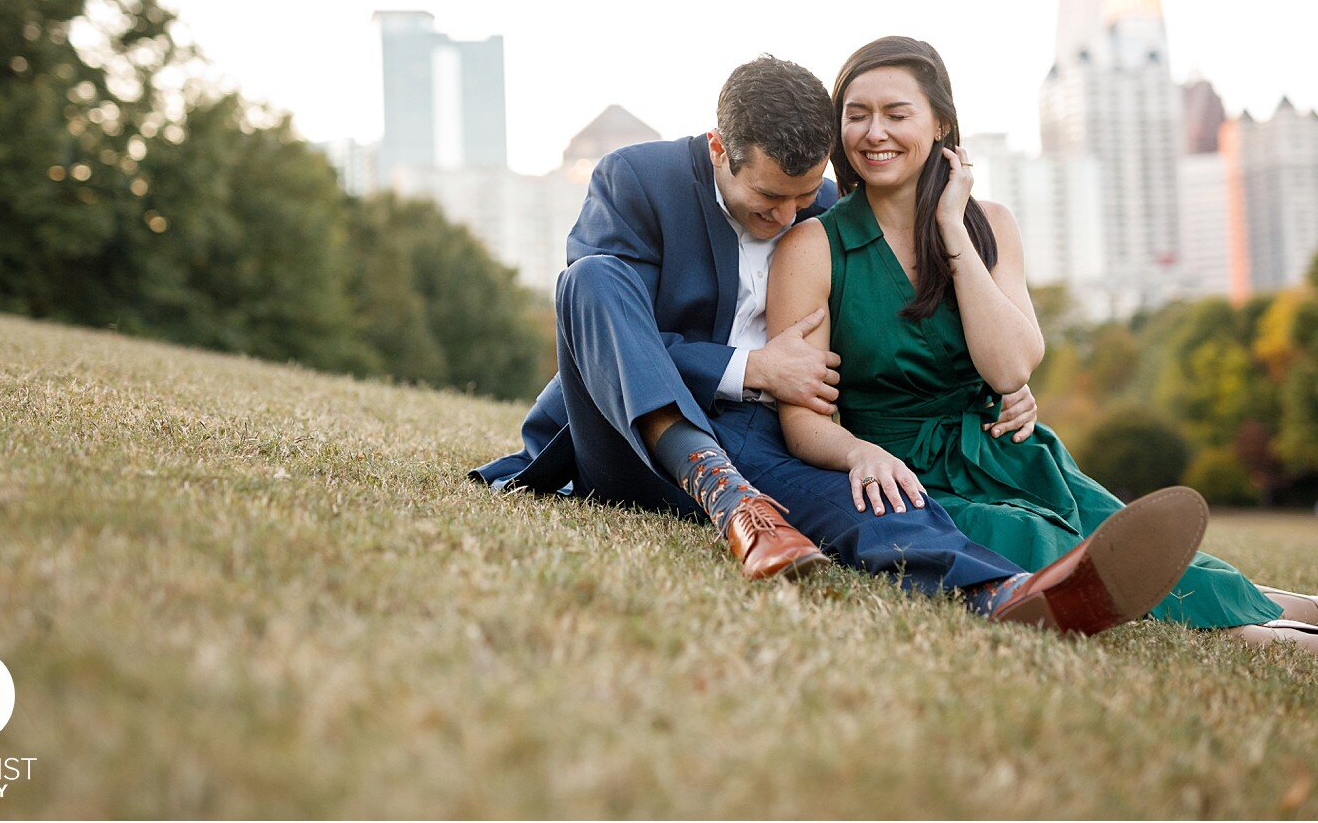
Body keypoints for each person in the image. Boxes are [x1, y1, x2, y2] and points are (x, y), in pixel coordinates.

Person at [474, 54, 1209, 636]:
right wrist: (750, 367)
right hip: (629, 440)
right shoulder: (635, 179)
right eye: (769, 202)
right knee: (590, 282)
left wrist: (1003, 384)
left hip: (763, 435)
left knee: (865, 487)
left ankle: (999, 590)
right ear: (718, 149)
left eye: (804, 197)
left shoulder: (821, 215)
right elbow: (605, 329)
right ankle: (731, 502)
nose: (790, 217)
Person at [766, 35, 1318, 667]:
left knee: (1119, 539)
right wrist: (860, 452)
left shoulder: (989, 224)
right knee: (1044, 546)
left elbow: (1011, 367)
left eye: (896, 114)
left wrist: (952, 229)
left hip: (1009, 453)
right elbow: (800, 419)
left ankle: (1270, 604)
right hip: (906, 478)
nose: (874, 133)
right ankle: (1262, 638)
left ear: (941, 125)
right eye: (857, 114)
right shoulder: (813, 247)